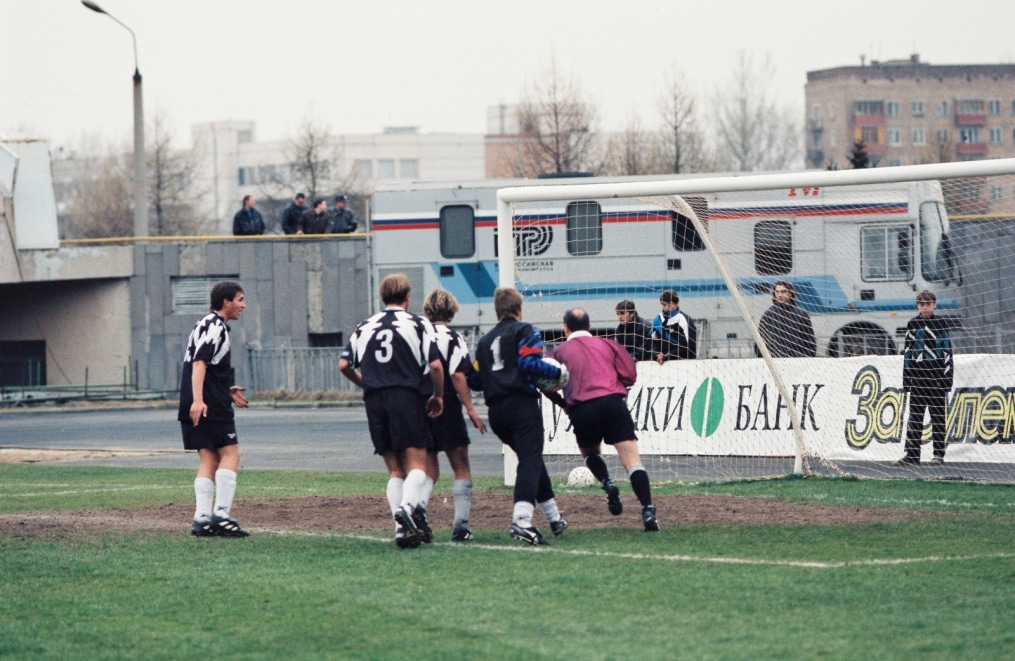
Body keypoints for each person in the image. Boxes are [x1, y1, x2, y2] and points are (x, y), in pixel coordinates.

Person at [339, 273, 445, 548]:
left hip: (374, 400)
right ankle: (407, 509)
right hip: (404, 396)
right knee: (418, 464)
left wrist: (366, 383)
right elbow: (435, 366)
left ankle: (401, 531)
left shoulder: (365, 325)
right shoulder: (418, 323)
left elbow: (343, 365)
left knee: (395, 470)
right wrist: (437, 395)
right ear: (408, 297)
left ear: (382, 297)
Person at [468, 287, 568, 546]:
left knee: (530, 458)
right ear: (519, 309)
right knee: (530, 460)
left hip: (497, 414)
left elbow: (476, 380)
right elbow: (529, 364)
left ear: (496, 310)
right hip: (521, 406)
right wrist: (558, 374)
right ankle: (522, 521)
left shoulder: (484, 341)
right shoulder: (526, 330)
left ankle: (554, 517)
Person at [551, 309, 659, 531]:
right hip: (613, 402)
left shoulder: (558, 352)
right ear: (590, 327)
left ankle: (607, 482)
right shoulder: (609, 344)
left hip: (582, 407)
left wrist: (563, 404)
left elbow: (543, 380)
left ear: (565, 328)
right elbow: (630, 375)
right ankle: (647, 510)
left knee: (590, 453)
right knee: (631, 460)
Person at [178, 281, 251, 537]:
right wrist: (201, 400)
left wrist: (225, 390)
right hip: (207, 403)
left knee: (210, 458)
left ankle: (201, 519)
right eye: (240, 299)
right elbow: (199, 363)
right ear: (226, 301)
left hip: (199, 399)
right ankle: (221, 513)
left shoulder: (204, 323)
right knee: (232, 455)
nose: (243, 305)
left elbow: (205, 366)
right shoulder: (216, 326)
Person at [421, 288, 487, 541]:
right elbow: (458, 374)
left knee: (428, 468)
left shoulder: (419, 334)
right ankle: (460, 526)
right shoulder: (453, 337)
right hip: (445, 401)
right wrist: (470, 408)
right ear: (452, 310)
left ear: (427, 310)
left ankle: (418, 512)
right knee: (461, 466)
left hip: (421, 402)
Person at [896, 290, 953, 467]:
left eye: (928, 304)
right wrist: (907, 379)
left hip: (936, 377)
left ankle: (938, 454)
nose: (925, 307)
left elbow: (947, 352)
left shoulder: (941, 324)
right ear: (917, 306)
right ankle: (912, 455)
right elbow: (907, 353)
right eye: (922, 304)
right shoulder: (912, 324)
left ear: (934, 305)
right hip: (918, 377)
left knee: (938, 417)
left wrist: (947, 379)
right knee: (915, 417)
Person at [755, 281, 816, 358]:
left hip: (797, 362)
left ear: (790, 293)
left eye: (783, 292)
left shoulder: (801, 314)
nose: (779, 295)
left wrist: (802, 357)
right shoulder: (768, 315)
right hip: (774, 361)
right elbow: (760, 341)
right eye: (777, 292)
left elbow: (810, 342)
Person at [650, 289, 697, 363]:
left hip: (683, 363)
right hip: (661, 364)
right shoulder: (658, 319)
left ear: (677, 303)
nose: (666, 308)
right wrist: (656, 355)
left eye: (670, 304)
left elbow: (689, 347)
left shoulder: (684, 320)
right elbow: (651, 342)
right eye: (664, 304)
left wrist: (666, 356)